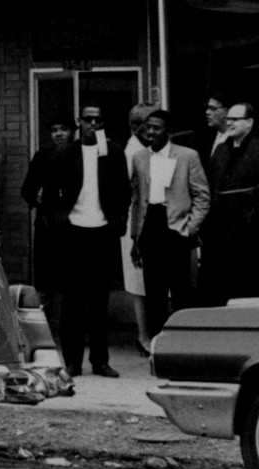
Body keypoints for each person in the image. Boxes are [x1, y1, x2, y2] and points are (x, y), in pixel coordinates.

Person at [41, 103, 129, 378]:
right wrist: (59, 221)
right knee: (72, 302)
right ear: (79, 122)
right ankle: (72, 361)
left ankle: (100, 361)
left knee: (100, 302)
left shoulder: (113, 153)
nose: (93, 124)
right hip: (73, 232)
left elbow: (124, 191)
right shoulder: (65, 153)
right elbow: (50, 192)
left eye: (98, 120)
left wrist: (118, 221)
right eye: (88, 119)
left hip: (102, 232)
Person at [129, 110, 209, 337]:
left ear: (169, 131)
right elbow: (136, 200)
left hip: (176, 227)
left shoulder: (187, 156)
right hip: (150, 228)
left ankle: (182, 344)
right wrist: (135, 237)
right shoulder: (139, 157)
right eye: (148, 127)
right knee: (154, 294)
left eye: (156, 127)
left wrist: (191, 225)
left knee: (181, 292)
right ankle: (158, 344)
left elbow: (202, 195)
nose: (150, 132)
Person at [200, 102, 259, 305]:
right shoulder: (220, 150)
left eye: (235, 119)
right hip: (219, 236)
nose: (230, 123)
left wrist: (251, 226)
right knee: (220, 290)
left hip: (249, 238)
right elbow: (210, 189)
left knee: (247, 290)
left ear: (250, 123)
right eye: (229, 119)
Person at [21, 112, 75, 327]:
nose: (59, 134)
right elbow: (27, 190)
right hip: (48, 225)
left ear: (73, 131)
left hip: (74, 225)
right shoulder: (42, 156)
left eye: (63, 129)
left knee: (73, 279)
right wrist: (38, 195)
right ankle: (44, 329)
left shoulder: (80, 155)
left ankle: (73, 327)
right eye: (54, 130)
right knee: (46, 282)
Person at [122, 103, 157, 355]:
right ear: (135, 126)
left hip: (151, 220)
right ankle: (144, 336)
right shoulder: (131, 152)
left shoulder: (149, 150)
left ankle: (151, 334)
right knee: (139, 281)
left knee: (150, 280)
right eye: (147, 125)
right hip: (135, 221)